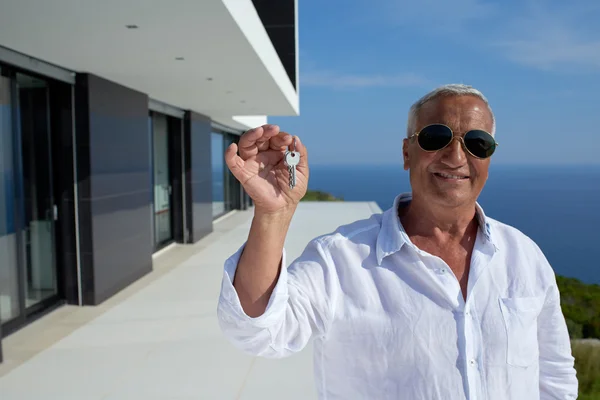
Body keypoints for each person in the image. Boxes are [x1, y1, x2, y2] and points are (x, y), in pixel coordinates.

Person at [216, 84, 578, 399]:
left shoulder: (524, 257)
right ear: (407, 153)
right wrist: (273, 214)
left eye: (477, 143)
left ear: (489, 156)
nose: (456, 156)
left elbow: (555, 378)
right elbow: (257, 330)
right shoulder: (340, 259)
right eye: (436, 138)